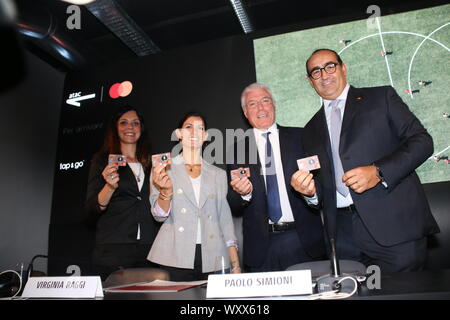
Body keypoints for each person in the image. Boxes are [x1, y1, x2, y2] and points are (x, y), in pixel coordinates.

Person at [291, 48, 440, 273]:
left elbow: (422, 141)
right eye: (316, 72)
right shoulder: (310, 130)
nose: (324, 75)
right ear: (310, 81)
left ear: (343, 68)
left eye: (330, 66)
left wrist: (378, 172)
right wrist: (309, 194)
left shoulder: (381, 98)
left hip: (394, 229)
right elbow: (322, 185)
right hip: (341, 239)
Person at [226, 83, 327, 273]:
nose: (261, 108)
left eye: (265, 101)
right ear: (245, 112)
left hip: (303, 241)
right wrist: (243, 194)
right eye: (252, 104)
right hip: (261, 249)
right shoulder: (237, 150)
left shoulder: (302, 137)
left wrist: (311, 193)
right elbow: (233, 203)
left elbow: (322, 185)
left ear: (274, 105)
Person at [148, 112, 241, 281]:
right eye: (188, 127)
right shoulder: (163, 169)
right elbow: (158, 216)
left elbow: (225, 221)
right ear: (179, 134)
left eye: (200, 128)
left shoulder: (218, 174)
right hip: (174, 256)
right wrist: (165, 192)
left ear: (205, 136)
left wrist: (235, 266)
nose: (193, 132)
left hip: (213, 256)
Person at [85, 105, 161, 280]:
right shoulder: (102, 160)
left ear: (141, 128)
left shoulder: (151, 163)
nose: (130, 127)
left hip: (148, 250)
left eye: (135, 123)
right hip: (113, 249)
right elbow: (90, 211)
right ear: (115, 128)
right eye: (123, 123)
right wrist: (109, 187)